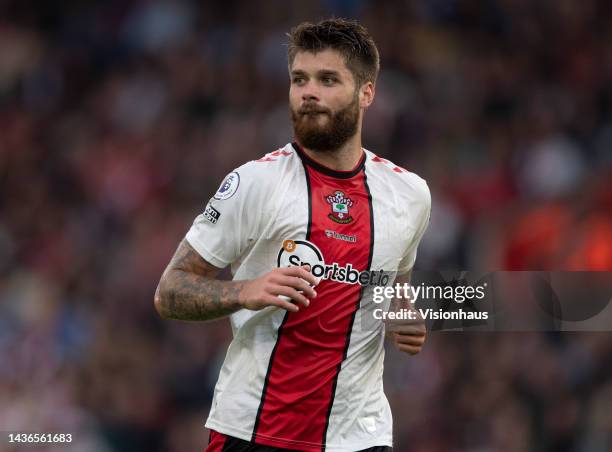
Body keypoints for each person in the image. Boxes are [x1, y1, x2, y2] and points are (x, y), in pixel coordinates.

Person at [155, 18, 431, 452]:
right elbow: (169, 292)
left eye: (327, 80)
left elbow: (394, 287)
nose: (309, 92)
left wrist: (405, 316)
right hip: (255, 430)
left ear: (367, 92)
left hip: (361, 437)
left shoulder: (410, 194)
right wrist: (244, 291)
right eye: (299, 79)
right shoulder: (254, 183)